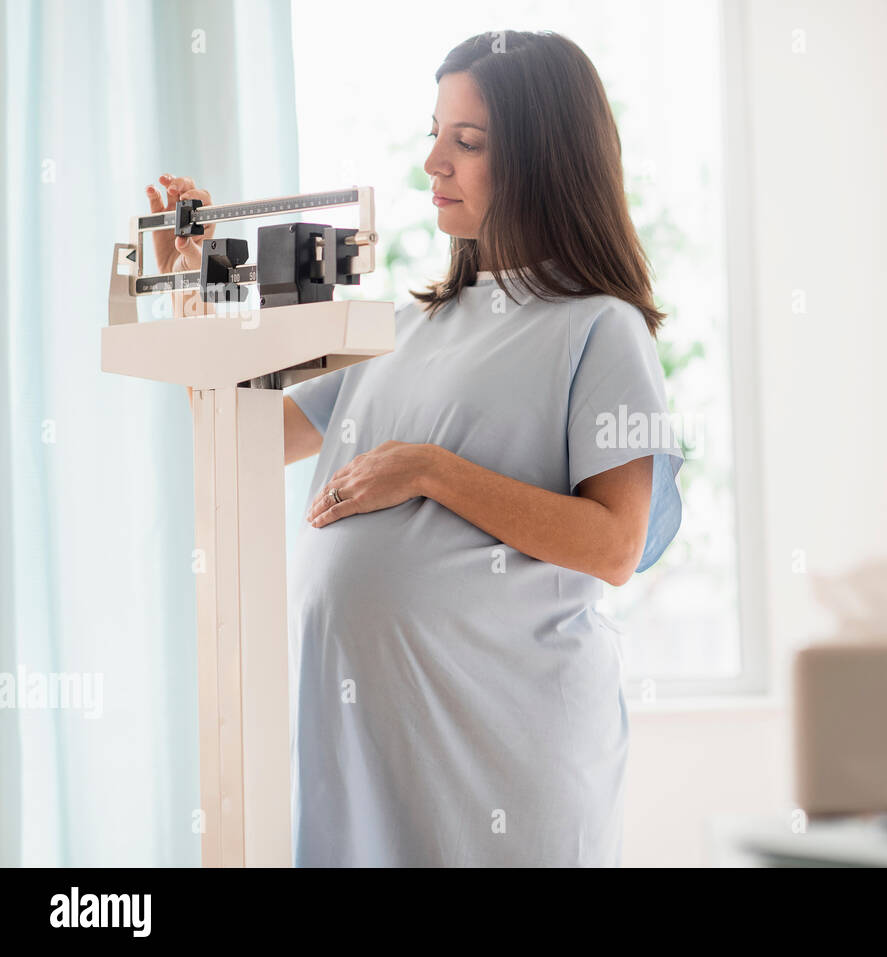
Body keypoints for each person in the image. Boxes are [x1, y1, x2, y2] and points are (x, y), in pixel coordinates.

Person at [149, 29, 684, 866]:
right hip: (363, 745)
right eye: (435, 132)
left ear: (543, 160)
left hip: (508, 754)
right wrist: (194, 283)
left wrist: (430, 470)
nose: (434, 160)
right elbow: (237, 438)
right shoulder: (399, 329)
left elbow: (614, 544)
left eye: (466, 142)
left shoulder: (600, 329)